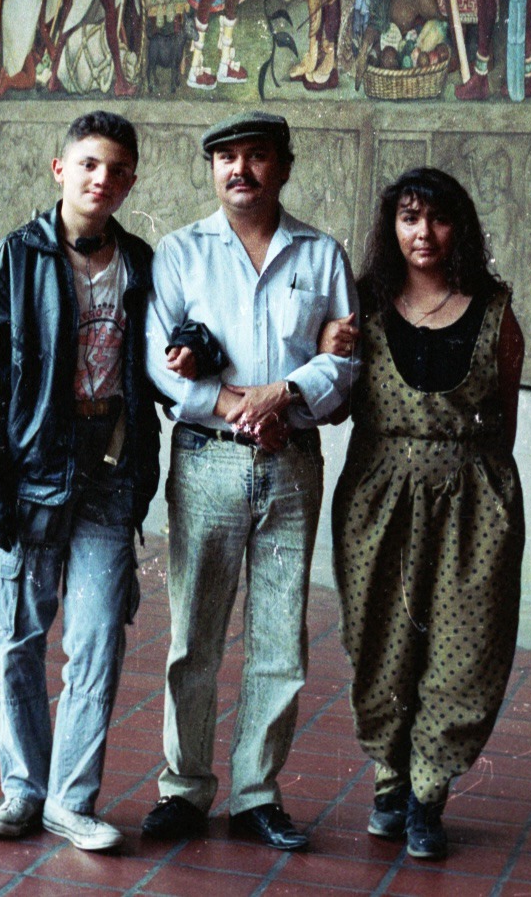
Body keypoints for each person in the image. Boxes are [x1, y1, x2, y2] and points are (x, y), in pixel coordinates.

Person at [0, 112, 160, 852]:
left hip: (108, 470)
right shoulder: (16, 258)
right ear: (59, 168)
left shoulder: (139, 261)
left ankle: (71, 799)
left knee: (97, 635)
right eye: (91, 163)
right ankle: (22, 789)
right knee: (17, 636)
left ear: (130, 181)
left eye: (119, 169)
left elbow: (163, 353)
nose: (104, 178)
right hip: (30, 470)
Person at [142, 111, 358, 851]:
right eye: (226, 157)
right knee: (192, 635)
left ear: (283, 166)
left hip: (290, 465)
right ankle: (182, 788)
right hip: (206, 459)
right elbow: (155, 360)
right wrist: (242, 404)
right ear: (211, 169)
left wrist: (285, 396)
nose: (240, 169)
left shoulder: (320, 254)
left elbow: (345, 363)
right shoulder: (179, 253)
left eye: (256, 156)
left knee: (278, 640)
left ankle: (255, 793)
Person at [330, 167, 524, 860]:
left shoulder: (494, 310)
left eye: (437, 218)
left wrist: (481, 490)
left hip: (473, 498)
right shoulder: (363, 306)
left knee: (462, 647)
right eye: (408, 217)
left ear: (459, 227)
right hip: (376, 494)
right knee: (379, 639)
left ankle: (427, 792)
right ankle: (388, 773)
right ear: (391, 226)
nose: (423, 233)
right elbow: (332, 395)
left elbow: (504, 418)